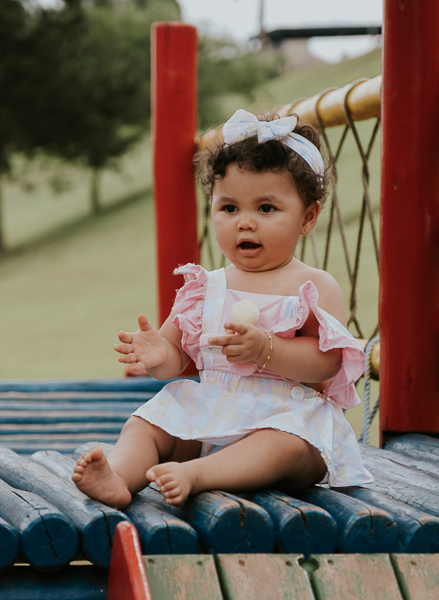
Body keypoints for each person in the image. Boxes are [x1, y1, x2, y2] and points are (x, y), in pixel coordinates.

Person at [72, 108, 373, 509]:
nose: (244, 223)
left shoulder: (313, 286)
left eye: (266, 208)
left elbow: (327, 364)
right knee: (148, 421)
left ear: (308, 217)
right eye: (229, 208)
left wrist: (266, 348)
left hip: (287, 418)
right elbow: (175, 357)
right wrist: (158, 354)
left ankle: (198, 475)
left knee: (285, 446)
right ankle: (119, 474)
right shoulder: (206, 287)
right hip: (213, 414)